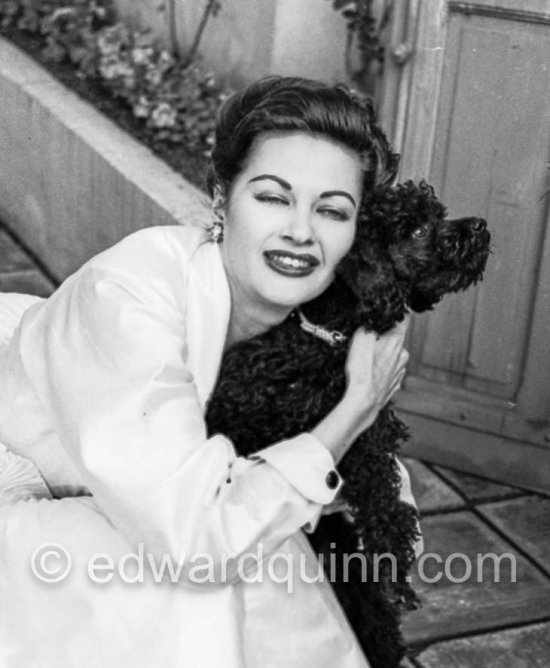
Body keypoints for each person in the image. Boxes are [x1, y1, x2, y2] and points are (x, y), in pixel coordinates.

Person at [0, 76, 417, 668]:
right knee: (197, 590)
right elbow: (192, 544)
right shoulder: (127, 297)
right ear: (221, 198)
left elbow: (367, 499)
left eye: (332, 210)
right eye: (273, 197)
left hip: (156, 503)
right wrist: (354, 408)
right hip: (21, 484)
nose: (301, 230)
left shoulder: (321, 322)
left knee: (272, 547)